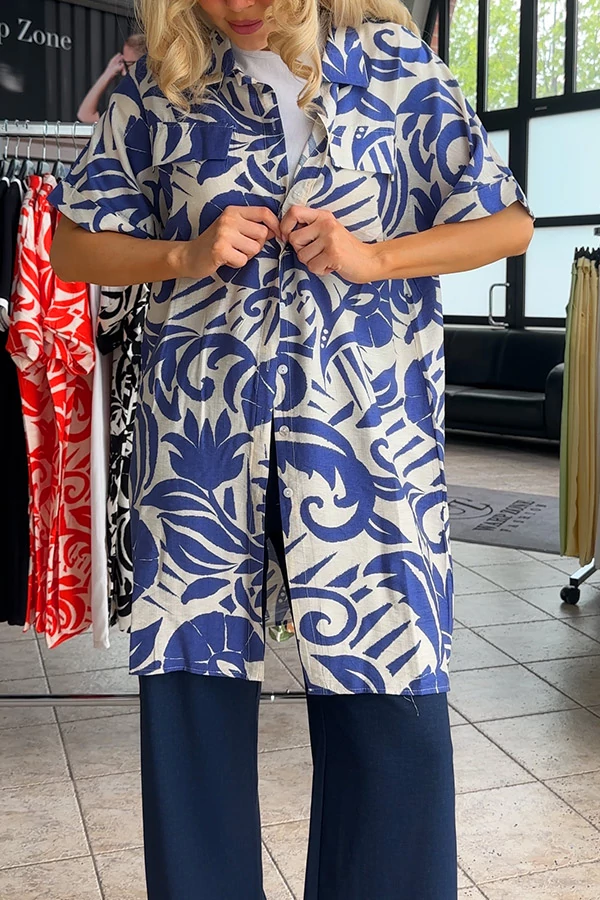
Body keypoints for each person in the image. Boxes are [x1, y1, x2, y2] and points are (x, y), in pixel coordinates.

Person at [49, 1, 534, 897]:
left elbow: (507, 223)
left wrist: (375, 257)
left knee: (390, 709)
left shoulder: (393, 64)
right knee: (193, 701)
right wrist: (182, 255)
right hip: (199, 447)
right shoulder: (163, 83)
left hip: (368, 444)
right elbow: (72, 245)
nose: (240, 5)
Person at [77, 33, 146, 123]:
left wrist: (109, 72)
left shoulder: (130, 105)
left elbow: (85, 115)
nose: (123, 73)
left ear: (141, 64)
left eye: (126, 64)